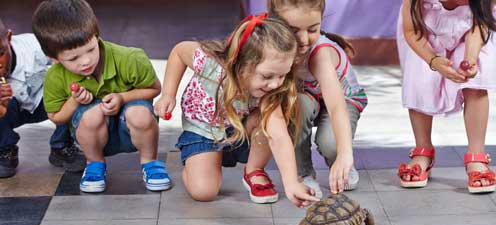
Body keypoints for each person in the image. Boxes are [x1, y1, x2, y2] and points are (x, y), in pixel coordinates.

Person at [154, 14, 319, 207]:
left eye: (283, 75)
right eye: (267, 75)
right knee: (204, 192)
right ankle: (193, 162)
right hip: (204, 131)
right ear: (241, 63)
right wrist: (168, 94)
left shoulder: (269, 92)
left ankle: (254, 170)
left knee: (271, 120)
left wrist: (291, 182)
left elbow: (279, 136)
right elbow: (179, 51)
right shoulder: (211, 64)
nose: (275, 83)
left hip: (240, 128)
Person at [32, 0, 171, 193]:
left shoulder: (130, 58)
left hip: (133, 130)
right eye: (73, 58)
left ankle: (150, 163)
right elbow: (55, 117)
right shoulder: (55, 76)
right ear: (53, 58)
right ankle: (94, 164)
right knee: (92, 114)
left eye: (91, 49)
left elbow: (155, 88)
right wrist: (75, 101)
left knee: (139, 112)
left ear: (96, 36)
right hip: (92, 136)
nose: (86, 61)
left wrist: (122, 98)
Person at [397, 0, 496, 193]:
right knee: (420, 78)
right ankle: (423, 149)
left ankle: (476, 155)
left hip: (474, 32)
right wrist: (433, 60)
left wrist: (470, 58)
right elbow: (411, 31)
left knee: (475, 84)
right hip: (424, 33)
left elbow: (481, 24)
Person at [268, 0, 368, 196]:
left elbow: (336, 107)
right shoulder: (271, 45)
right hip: (307, 97)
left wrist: (345, 154)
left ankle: (339, 163)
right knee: (300, 105)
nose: (304, 39)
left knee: (331, 143)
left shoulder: (320, 54)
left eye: (313, 29)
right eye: (293, 30)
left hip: (342, 100)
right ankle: (303, 173)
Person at [0, 18, 85, 178]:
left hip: (45, 101)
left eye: (0, 53)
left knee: (74, 89)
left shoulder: (35, 46)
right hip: (9, 111)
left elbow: (69, 62)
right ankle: (4, 149)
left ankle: (61, 146)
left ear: (9, 38)